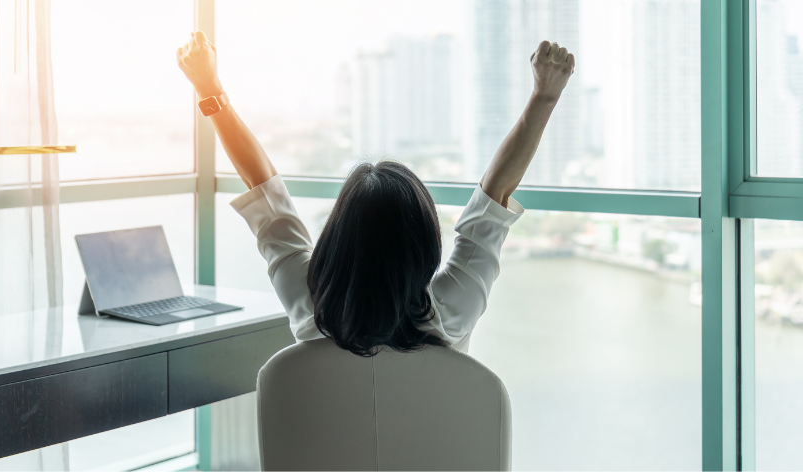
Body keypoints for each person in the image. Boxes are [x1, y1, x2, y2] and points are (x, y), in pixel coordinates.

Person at [177, 32, 574, 356]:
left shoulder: (307, 301)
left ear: (337, 236)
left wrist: (209, 87)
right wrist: (544, 97)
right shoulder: (452, 312)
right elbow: (494, 197)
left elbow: (262, 186)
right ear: (423, 246)